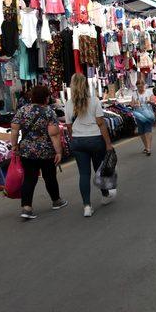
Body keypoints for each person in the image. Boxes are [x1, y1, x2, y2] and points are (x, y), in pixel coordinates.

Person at [11, 85, 67, 220]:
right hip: (46, 151)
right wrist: (58, 152)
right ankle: (56, 201)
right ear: (46, 97)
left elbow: (14, 129)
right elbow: (54, 134)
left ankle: (26, 207)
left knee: (29, 178)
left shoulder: (23, 110)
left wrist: (14, 146)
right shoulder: (49, 112)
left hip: (26, 151)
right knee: (50, 176)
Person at [65, 74, 115, 217]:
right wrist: (108, 144)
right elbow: (101, 124)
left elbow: (69, 127)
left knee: (84, 174)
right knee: (99, 169)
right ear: (86, 85)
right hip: (94, 139)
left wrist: (74, 140)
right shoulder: (94, 101)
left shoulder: (68, 104)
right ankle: (105, 195)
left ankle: (87, 206)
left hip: (78, 141)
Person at [131, 78, 155, 156]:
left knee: (148, 129)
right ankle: (146, 146)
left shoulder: (149, 92)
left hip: (148, 113)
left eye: (141, 86)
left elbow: (153, 102)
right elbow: (131, 104)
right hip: (139, 114)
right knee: (141, 131)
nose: (140, 88)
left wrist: (149, 101)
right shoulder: (134, 94)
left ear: (144, 86)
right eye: (138, 87)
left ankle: (148, 148)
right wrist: (135, 104)